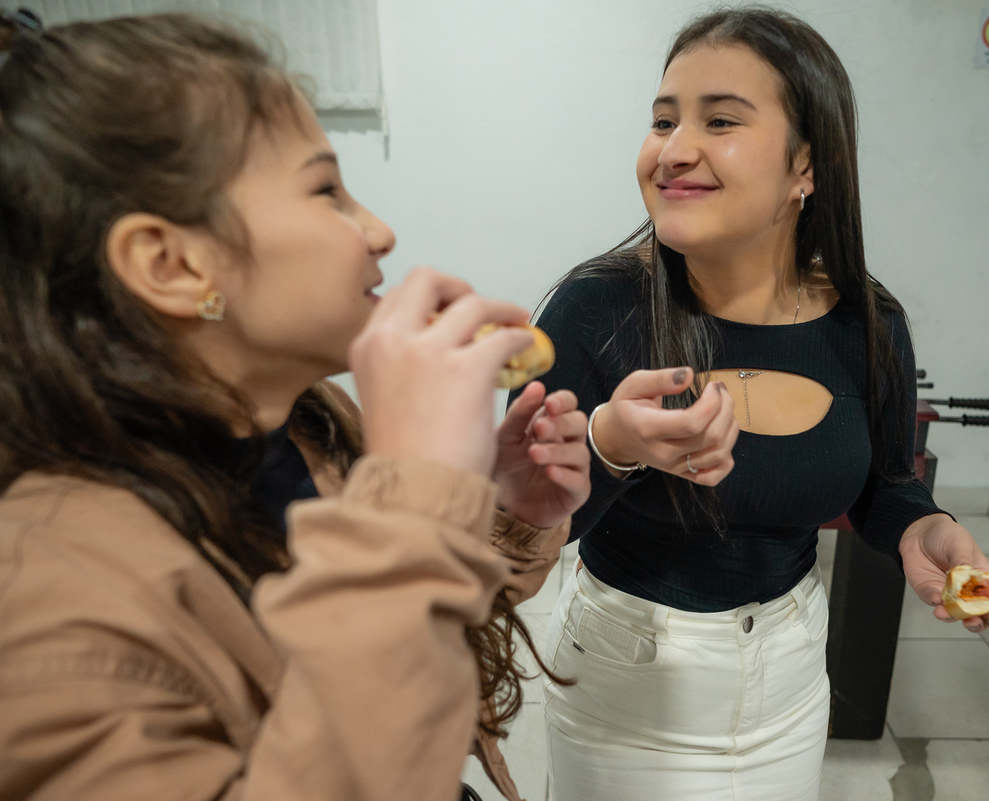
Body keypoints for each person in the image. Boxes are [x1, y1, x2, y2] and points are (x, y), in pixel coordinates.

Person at [0, 11, 587, 801]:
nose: (378, 230)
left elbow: (399, 646)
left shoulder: (314, 421)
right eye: (326, 191)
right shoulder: (49, 601)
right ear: (172, 264)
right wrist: (413, 497)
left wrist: (500, 505)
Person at [528, 8, 989, 801]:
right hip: (629, 683)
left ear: (806, 168)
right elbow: (520, 535)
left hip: (791, 675)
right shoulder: (594, 309)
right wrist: (608, 441)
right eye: (662, 119)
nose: (673, 149)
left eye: (719, 120)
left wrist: (925, 527)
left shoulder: (870, 323)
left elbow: (886, 486)